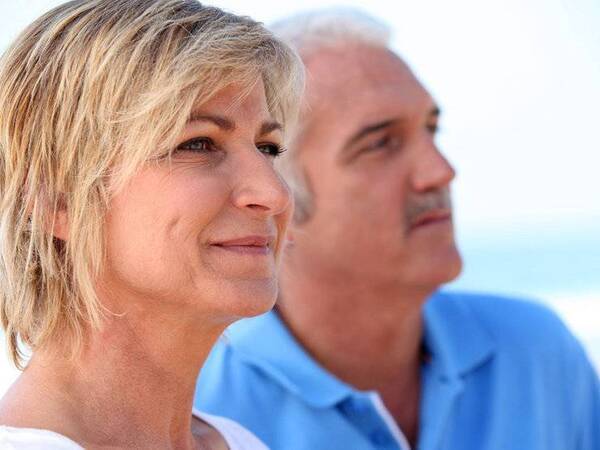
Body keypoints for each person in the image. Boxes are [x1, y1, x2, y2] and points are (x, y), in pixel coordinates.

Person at [194, 8, 600, 450]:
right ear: (276, 194)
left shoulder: (539, 353)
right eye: (381, 143)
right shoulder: (204, 413)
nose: (440, 171)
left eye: (432, 129)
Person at [0, 0, 303, 448]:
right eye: (197, 143)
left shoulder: (241, 441)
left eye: (268, 147)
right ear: (55, 200)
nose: (273, 194)